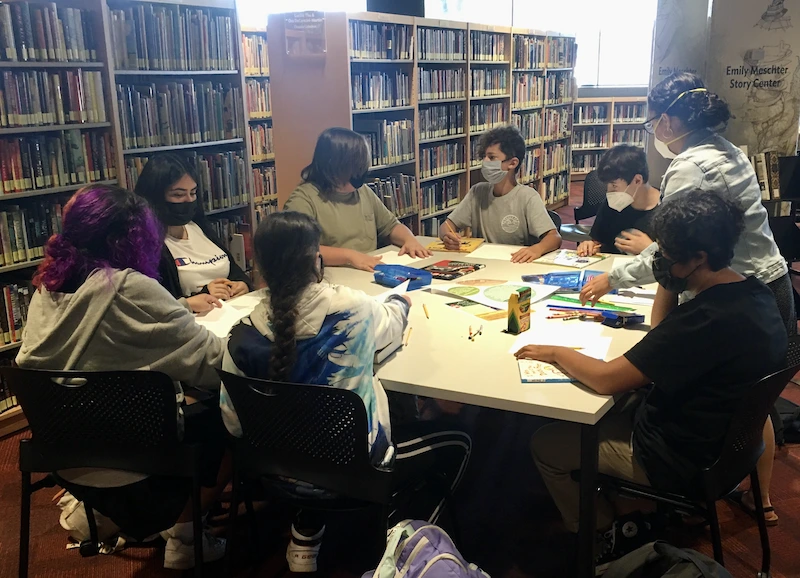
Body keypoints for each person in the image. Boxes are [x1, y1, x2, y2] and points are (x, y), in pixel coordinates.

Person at [519, 190, 788, 567]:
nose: (659, 263)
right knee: (615, 407)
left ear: (699, 258)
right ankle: (632, 508)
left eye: (668, 257)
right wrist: (674, 279)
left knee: (546, 444)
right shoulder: (756, 293)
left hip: (677, 457)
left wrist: (554, 351)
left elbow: (607, 379)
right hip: (725, 448)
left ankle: (602, 534)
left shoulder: (703, 320)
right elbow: (660, 337)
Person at [577, 73, 794, 524]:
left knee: (721, 396)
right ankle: (762, 496)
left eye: (654, 121)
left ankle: (657, 496)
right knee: (752, 404)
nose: (654, 132)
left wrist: (615, 277)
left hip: (728, 294)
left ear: (672, 120)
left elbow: (671, 248)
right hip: (767, 288)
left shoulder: (691, 166)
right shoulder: (726, 149)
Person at [220, 211, 471, 573]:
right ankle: (400, 541)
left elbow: (233, 423)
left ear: (258, 265)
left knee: (307, 434)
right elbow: (391, 327)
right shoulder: (353, 309)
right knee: (460, 441)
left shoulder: (240, 335)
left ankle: (308, 527)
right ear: (316, 260)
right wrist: (402, 302)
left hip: (277, 475)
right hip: (358, 473)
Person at [16, 184, 229, 570]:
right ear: (132, 238)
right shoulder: (131, 288)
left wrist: (175, 310)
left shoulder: (47, 288)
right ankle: (183, 536)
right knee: (230, 408)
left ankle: (102, 512)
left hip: (64, 452)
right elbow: (212, 364)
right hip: (138, 456)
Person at [283, 127, 432, 272]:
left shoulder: (363, 191)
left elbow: (391, 226)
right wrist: (349, 256)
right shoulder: (303, 199)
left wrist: (409, 239)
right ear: (335, 167)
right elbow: (301, 250)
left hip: (368, 272)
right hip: (332, 279)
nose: (359, 174)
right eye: (354, 168)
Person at [134, 153, 252, 311]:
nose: (188, 200)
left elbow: (235, 272)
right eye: (178, 194)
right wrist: (203, 295)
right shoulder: (147, 243)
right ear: (155, 197)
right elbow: (156, 305)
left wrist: (241, 285)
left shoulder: (198, 227)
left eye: (193, 193)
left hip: (229, 312)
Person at [439, 125, 562, 263]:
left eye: (492, 158)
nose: (485, 162)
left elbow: (554, 238)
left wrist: (536, 249)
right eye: (483, 156)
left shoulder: (527, 197)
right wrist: (447, 236)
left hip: (514, 263)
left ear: (512, 163)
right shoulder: (477, 192)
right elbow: (447, 225)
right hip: (482, 263)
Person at [576, 145, 660, 257]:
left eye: (614, 186)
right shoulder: (612, 204)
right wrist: (589, 246)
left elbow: (677, 263)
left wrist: (651, 250)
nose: (609, 192)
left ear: (637, 180)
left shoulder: (666, 210)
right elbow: (598, 242)